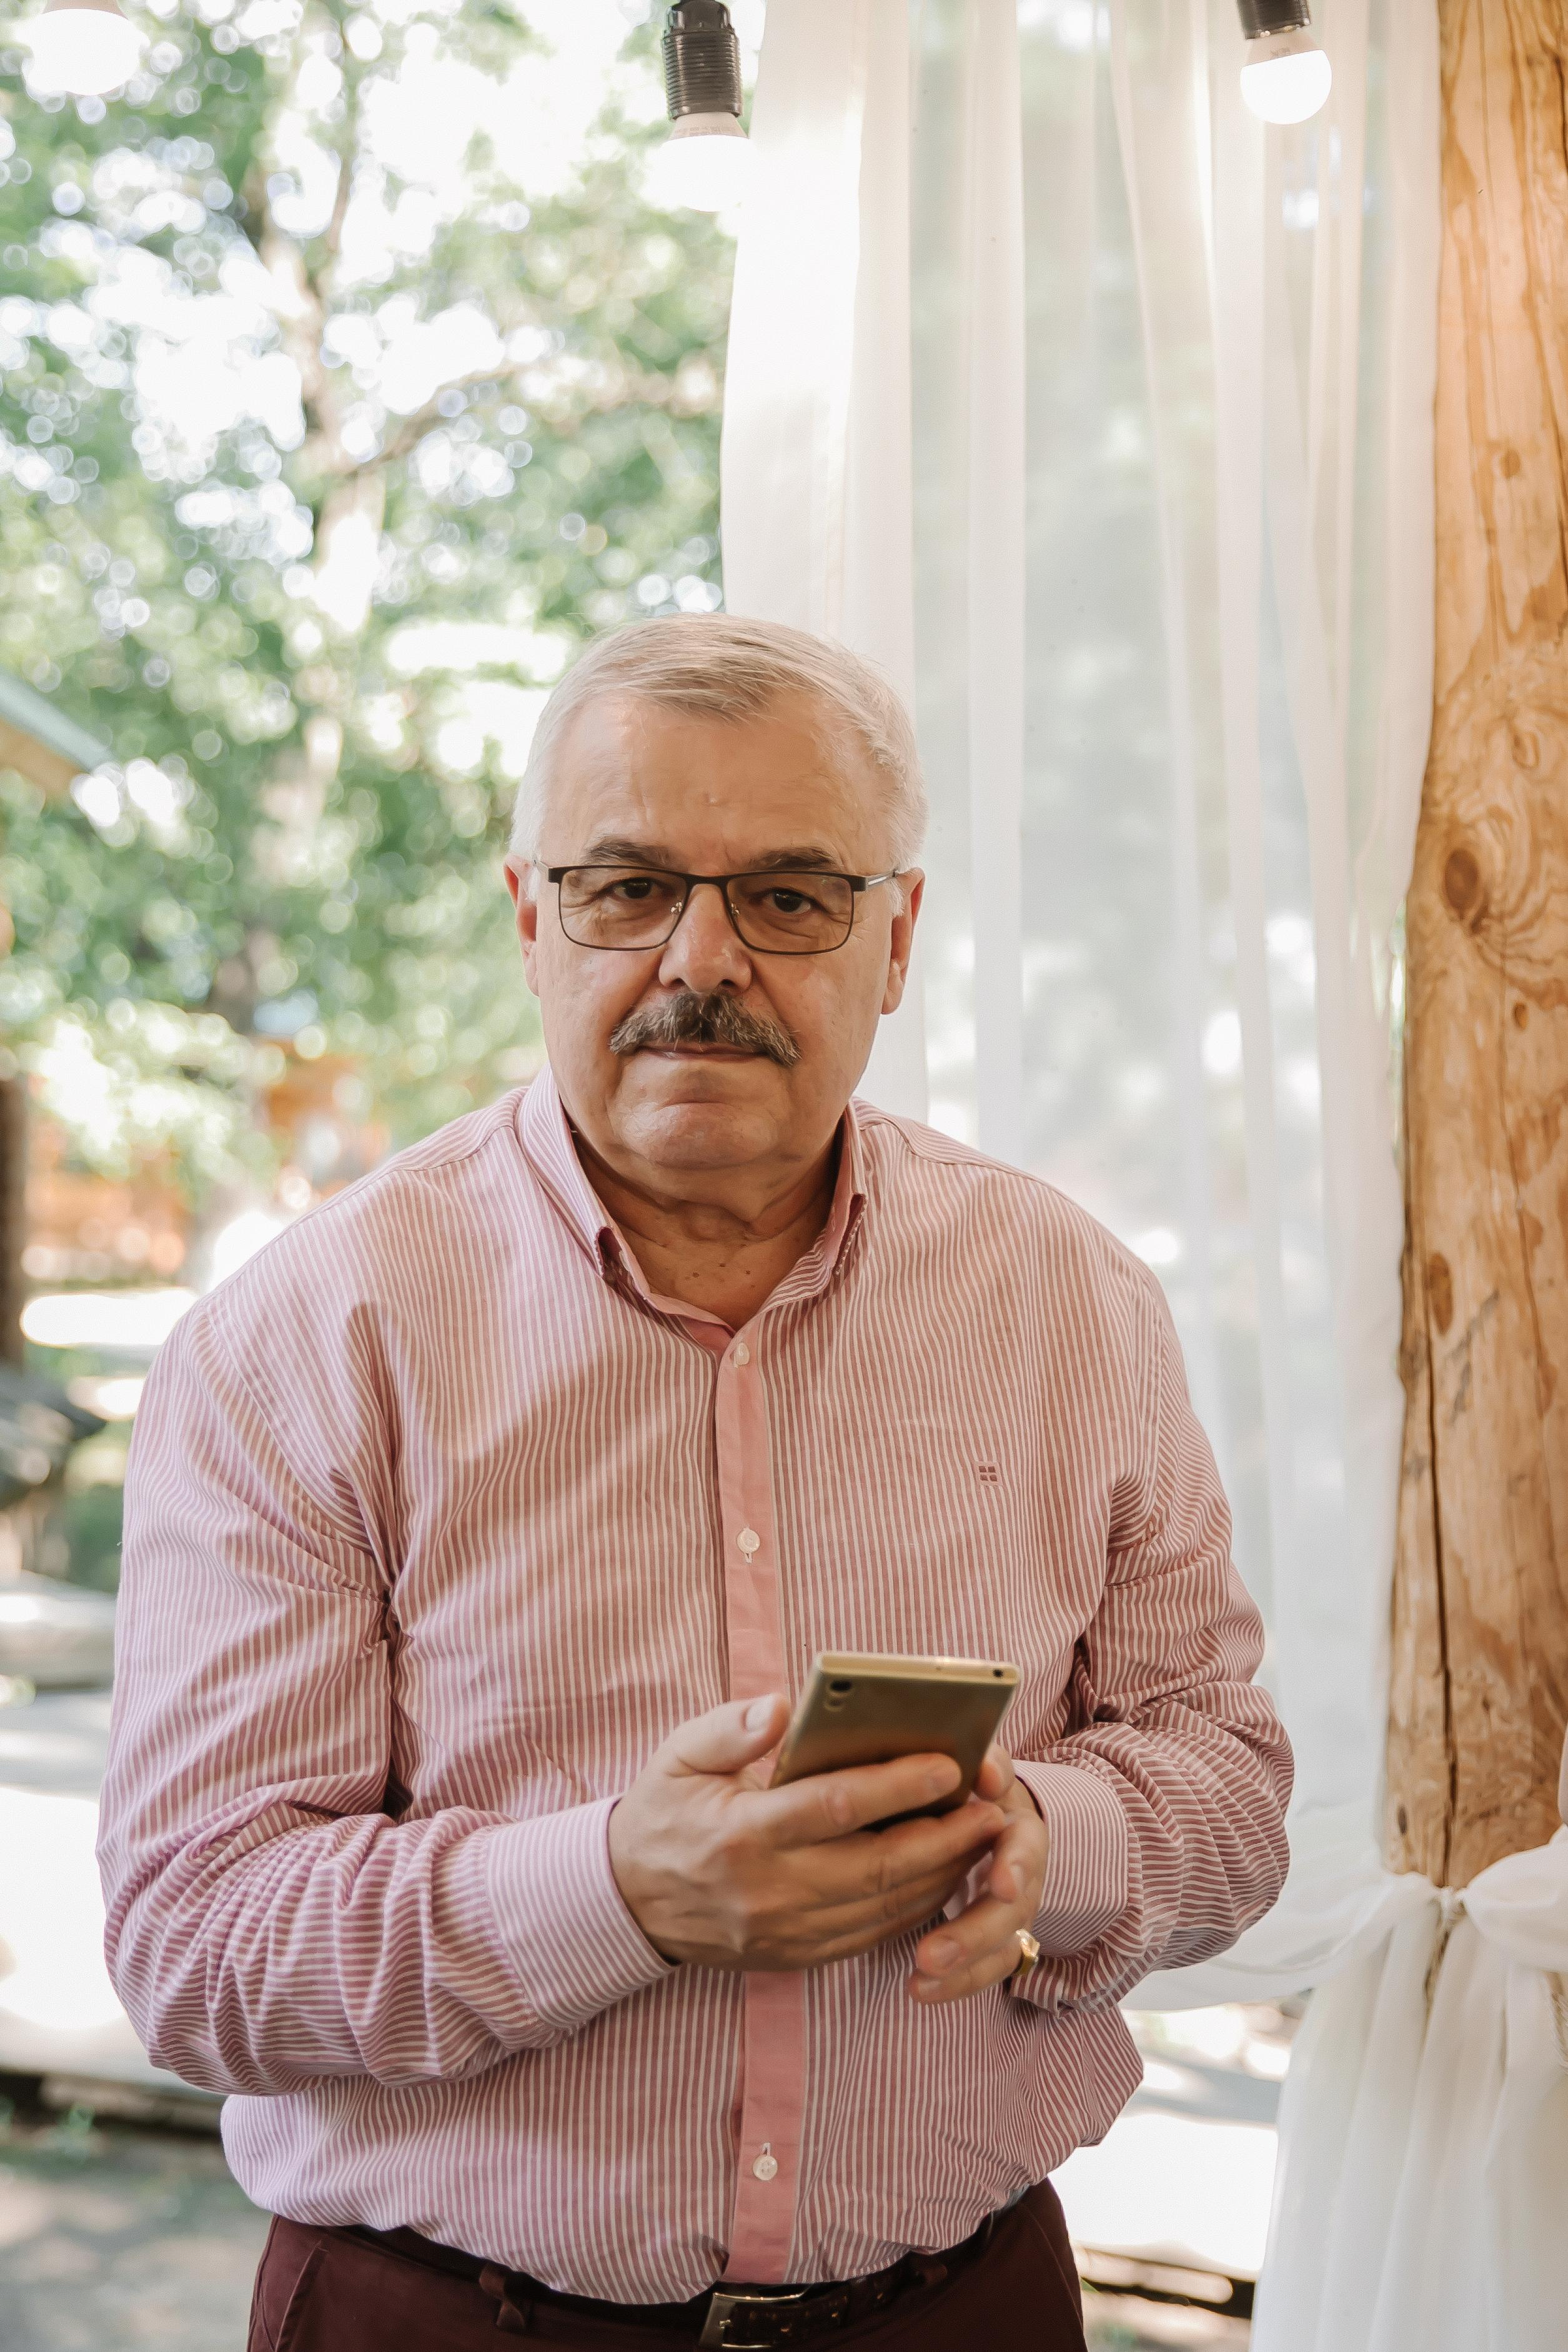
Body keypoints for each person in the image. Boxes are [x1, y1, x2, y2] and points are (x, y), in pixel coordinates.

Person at [99, 616, 1291, 2352]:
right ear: (531, 921)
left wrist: (1054, 1839)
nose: (702, 959)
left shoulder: (1072, 1302)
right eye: (627, 885)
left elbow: (1236, 1786)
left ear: (898, 940)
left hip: (964, 2314)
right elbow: (199, 1950)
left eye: (793, 896)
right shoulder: (302, 1342)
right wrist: (623, 1895)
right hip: (440, 2323)